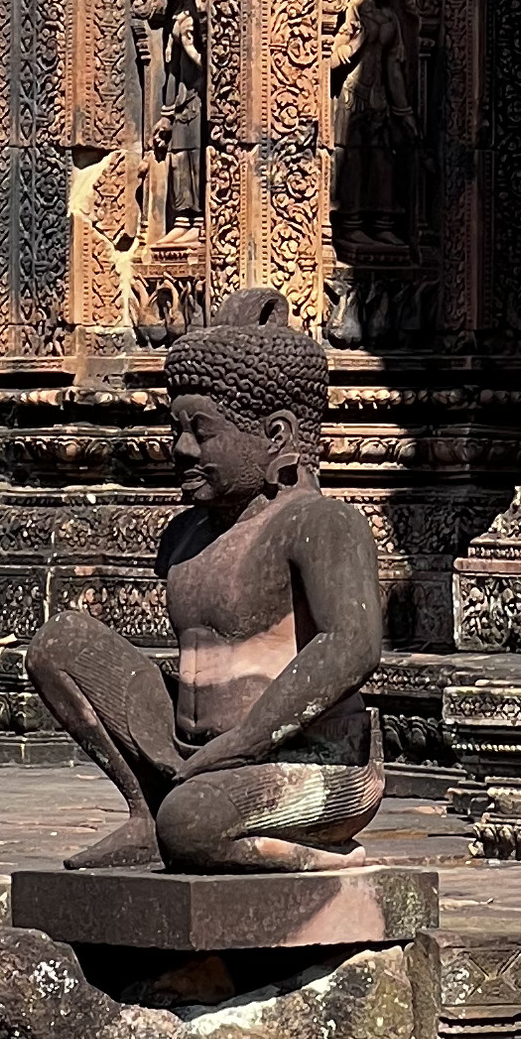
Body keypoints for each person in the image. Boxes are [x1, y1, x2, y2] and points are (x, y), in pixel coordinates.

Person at [26, 290, 383, 871]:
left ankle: (327, 857)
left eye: (203, 431)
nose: (181, 449)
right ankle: (147, 812)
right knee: (58, 643)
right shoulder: (186, 534)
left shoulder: (321, 523)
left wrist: (246, 743)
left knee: (191, 825)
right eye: (177, 429)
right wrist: (203, 753)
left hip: (311, 761)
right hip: (195, 754)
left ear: (277, 437)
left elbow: (353, 646)